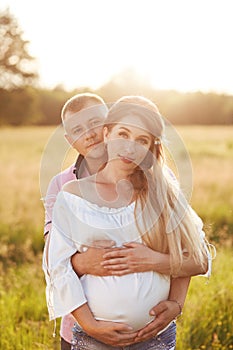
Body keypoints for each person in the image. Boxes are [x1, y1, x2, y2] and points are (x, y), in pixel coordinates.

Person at [43, 95, 211, 349]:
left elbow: (196, 257)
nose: (90, 134)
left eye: (141, 140)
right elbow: (55, 261)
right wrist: (89, 320)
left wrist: (174, 299)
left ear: (105, 127)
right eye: (78, 129)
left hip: (154, 336)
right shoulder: (66, 189)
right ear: (110, 133)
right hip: (90, 333)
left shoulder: (160, 188)